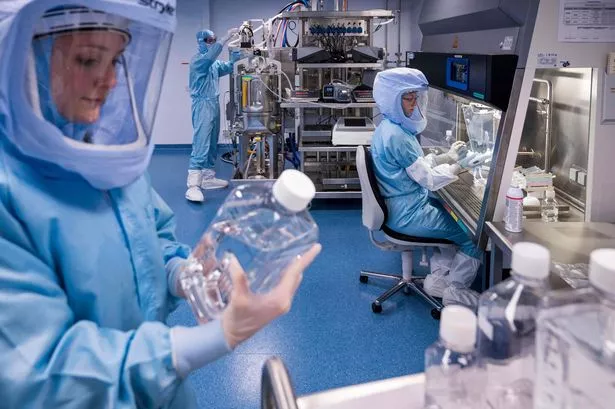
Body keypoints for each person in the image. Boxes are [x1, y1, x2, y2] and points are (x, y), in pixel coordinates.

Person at [0, 3, 320, 408]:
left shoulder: (105, 157)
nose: (110, 81)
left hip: (163, 394)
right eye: (87, 59)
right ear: (19, 59)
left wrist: (184, 273)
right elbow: (42, 373)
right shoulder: (10, 194)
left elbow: (152, 238)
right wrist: (201, 342)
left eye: (116, 60)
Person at [370, 68, 482, 308]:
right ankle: (456, 291)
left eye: (415, 98)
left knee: (451, 223)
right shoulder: (398, 136)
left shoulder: (388, 127)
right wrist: (458, 166)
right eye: (407, 98)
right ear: (392, 98)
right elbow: (428, 180)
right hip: (408, 214)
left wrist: (448, 157)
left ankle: (437, 281)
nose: (414, 105)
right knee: (472, 237)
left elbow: (414, 167)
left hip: (401, 205)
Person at [186, 29, 242, 202]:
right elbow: (209, 58)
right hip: (202, 105)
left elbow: (230, 66)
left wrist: (236, 49)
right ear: (201, 41)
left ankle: (208, 178)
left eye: (214, 40)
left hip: (213, 103)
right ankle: (193, 185)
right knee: (201, 141)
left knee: (212, 142)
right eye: (209, 40)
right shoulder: (198, 61)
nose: (211, 42)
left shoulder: (214, 64)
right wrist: (224, 40)